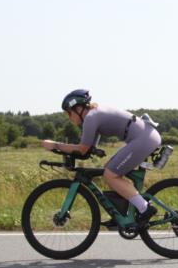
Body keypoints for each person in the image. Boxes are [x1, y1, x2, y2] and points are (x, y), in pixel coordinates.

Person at [41, 89, 160, 227]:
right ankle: (121, 213)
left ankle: (145, 208)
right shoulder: (93, 116)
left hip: (143, 139)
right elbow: (86, 152)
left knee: (110, 175)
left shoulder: (91, 118)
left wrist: (55, 145)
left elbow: (82, 149)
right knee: (109, 169)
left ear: (78, 108)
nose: (69, 117)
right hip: (145, 137)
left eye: (69, 112)